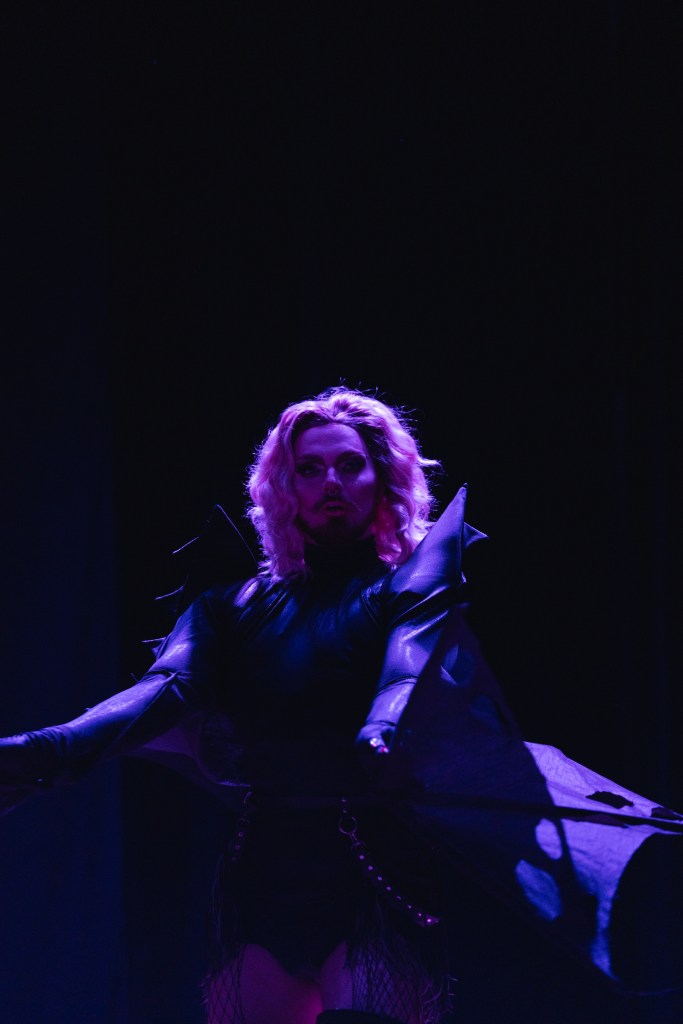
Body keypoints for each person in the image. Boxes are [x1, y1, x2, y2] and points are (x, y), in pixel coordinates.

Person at [1, 384, 682, 1024]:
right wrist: (48, 750)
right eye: (311, 468)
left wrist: (381, 729)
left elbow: (405, 667)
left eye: (350, 465)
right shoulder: (226, 606)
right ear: (284, 486)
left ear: (382, 479)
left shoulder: (407, 590)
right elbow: (165, 690)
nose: (331, 481)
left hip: (373, 870)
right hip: (260, 876)